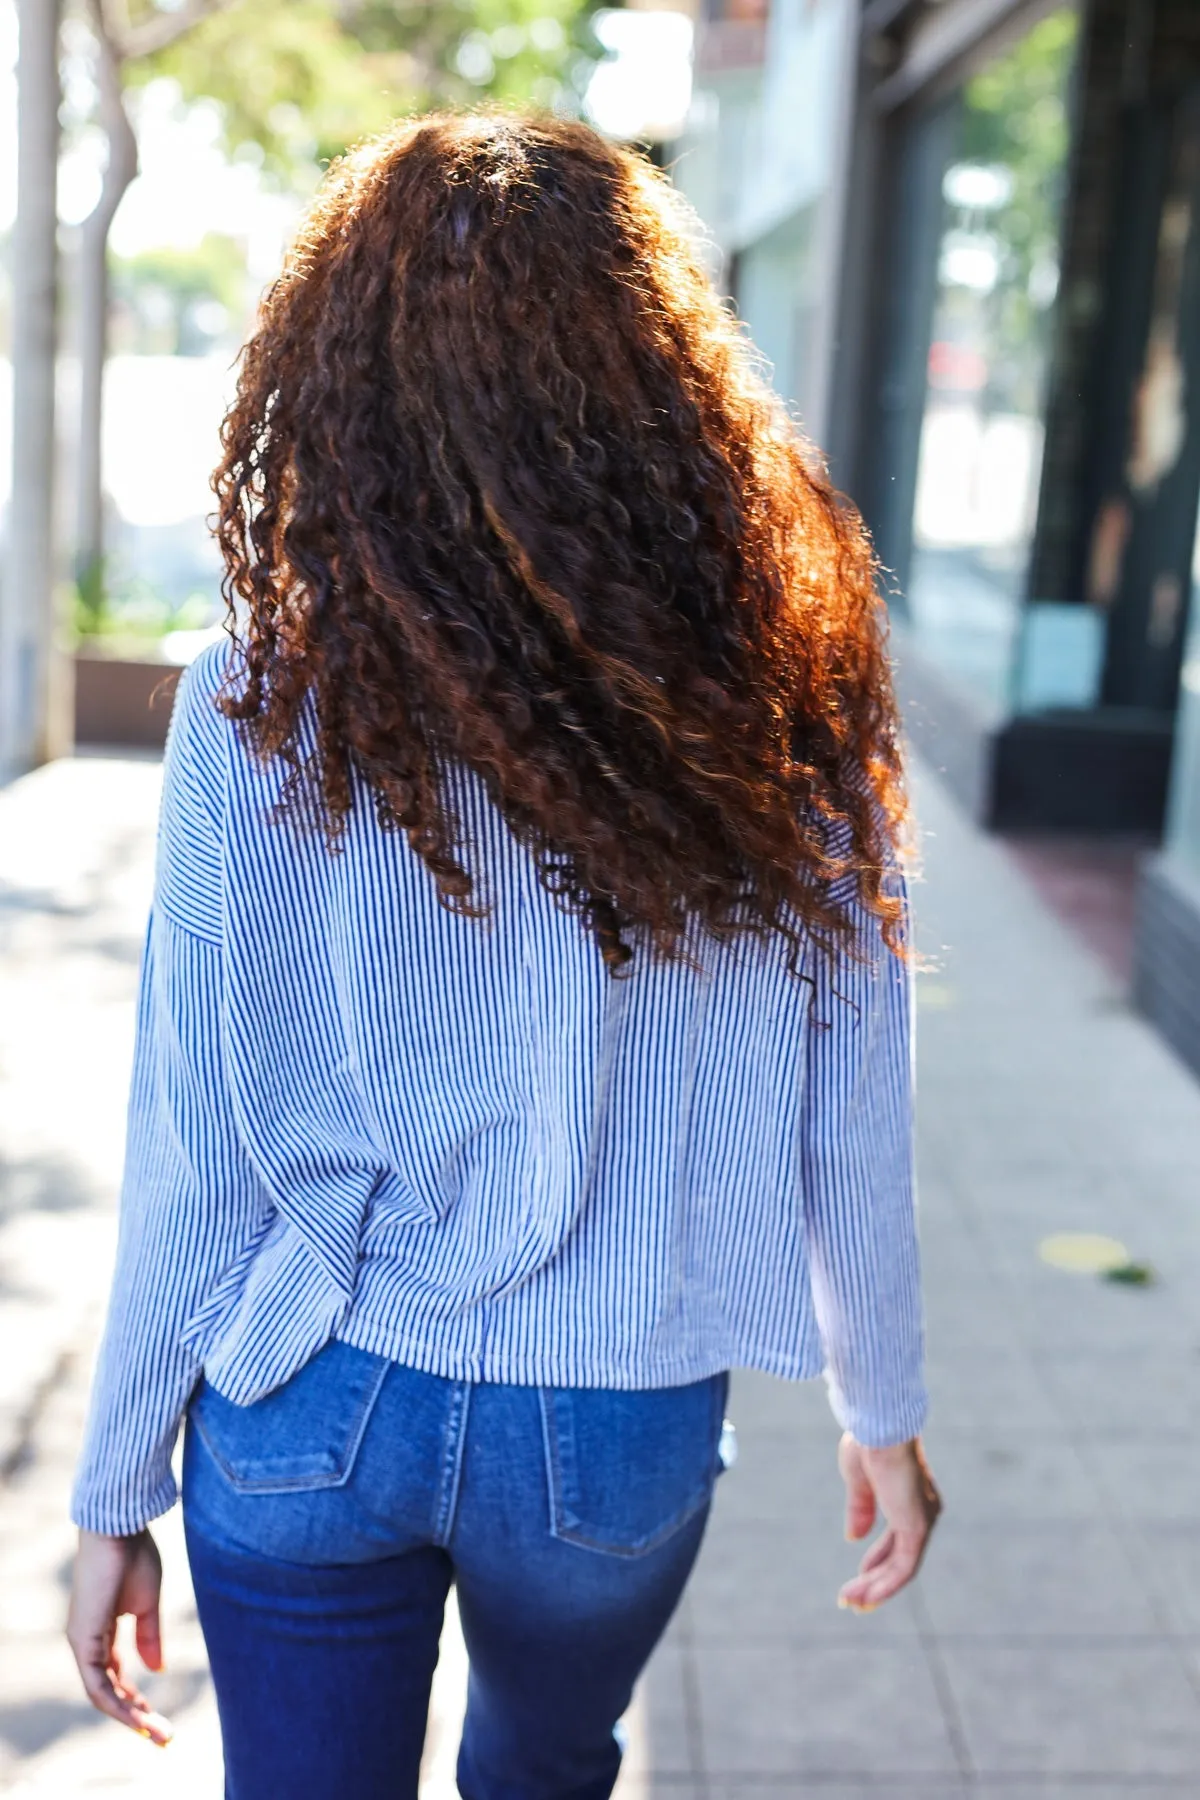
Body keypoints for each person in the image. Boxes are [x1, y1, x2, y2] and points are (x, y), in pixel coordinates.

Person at [66, 112, 940, 1800]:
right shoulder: (787, 694)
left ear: (339, 385)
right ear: (665, 377)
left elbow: (191, 1138)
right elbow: (857, 1101)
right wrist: (882, 1412)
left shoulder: (253, 702)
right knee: (546, 1770)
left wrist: (115, 1492)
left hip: (311, 1389)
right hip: (618, 1421)